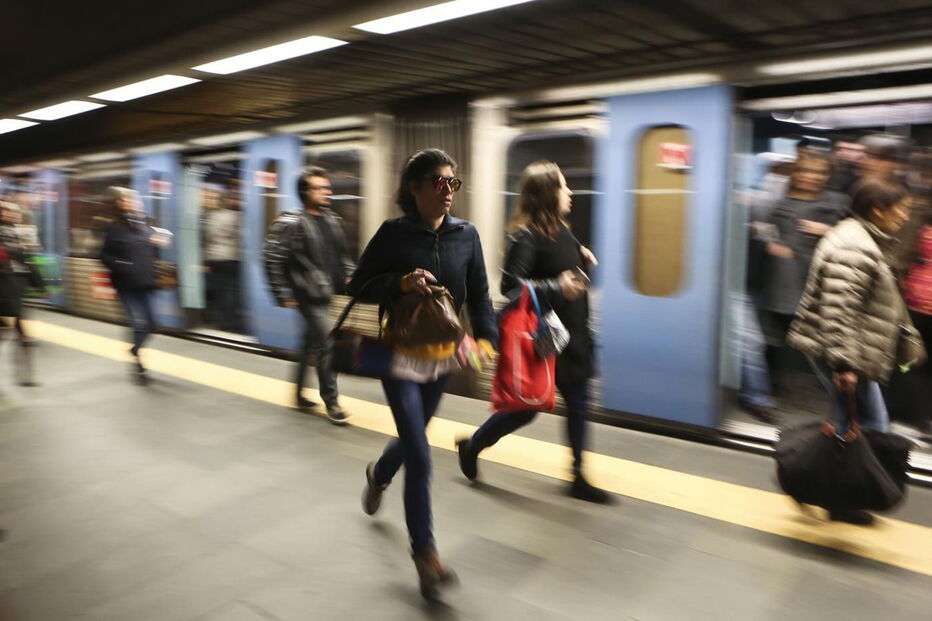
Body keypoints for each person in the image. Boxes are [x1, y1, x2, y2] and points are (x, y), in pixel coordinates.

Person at [352, 149, 496, 599]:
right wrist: (399, 283)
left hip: (443, 358)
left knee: (412, 438)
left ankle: (379, 474)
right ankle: (426, 555)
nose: (447, 191)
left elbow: (480, 294)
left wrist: (486, 341)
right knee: (420, 453)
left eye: (453, 182)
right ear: (413, 188)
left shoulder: (466, 235)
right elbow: (357, 285)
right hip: (399, 357)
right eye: (438, 182)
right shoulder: (393, 234)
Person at [456, 160, 611, 504]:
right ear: (546, 195)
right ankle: (473, 445)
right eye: (563, 187)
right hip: (545, 339)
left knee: (580, 403)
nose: (569, 193)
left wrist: (581, 257)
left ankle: (578, 475)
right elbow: (512, 286)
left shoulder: (563, 231)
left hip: (574, 335)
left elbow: (560, 263)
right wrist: (557, 286)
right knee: (524, 409)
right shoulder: (525, 237)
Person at [787, 177, 925, 525]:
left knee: (853, 423)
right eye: (901, 210)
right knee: (868, 426)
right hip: (846, 353)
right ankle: (823, 490)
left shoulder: (862, 238)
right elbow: (839, 311)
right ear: (878, 210)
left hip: (852, 351)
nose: (905, 218)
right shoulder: (854, 246)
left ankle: (822, 490)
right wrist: (844, 364)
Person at [264, 167, 354, 424]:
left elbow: (342, 257)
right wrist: (281, 292)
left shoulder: (332, 220)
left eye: (327, 187)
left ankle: (298, 396)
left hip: (331, 293)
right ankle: (332, 402)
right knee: (328, 345)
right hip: (308, 294)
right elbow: (272, 257)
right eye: (319, 188)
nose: (327, 192)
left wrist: (350, 275)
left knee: (308, 344)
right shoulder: (291, 223)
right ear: (305, 192)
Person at [761, 153, 846, 344]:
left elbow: (857, 237)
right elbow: (760, 231)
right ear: (794, 173)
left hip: (826, 288)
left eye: (820, 172)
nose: (812, 177)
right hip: (784, 286)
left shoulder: (838, 203)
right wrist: (767, 244)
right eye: (805, 171)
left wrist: (829, 230)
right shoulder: (777, 204)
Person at [99, 187, 159, 384]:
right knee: (137, 323)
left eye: (133, 199)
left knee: (152, 324)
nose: (131, 202)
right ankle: (138, 363)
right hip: (125, 284)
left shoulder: (146, 224)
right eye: (126, 199)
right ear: (119, 204)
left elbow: (152, 251)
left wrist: (157, 244)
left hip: (145, 282)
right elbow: (103, 256)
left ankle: (134, 349)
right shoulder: (114, 227)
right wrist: (124, 266)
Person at [202, 188, 243, 332]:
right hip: (231, 258)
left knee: (220, 291)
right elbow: (240, 236)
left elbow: (206, 238)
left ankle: (222, 321)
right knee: (231, 291)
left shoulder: (210, 217)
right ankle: (231, 323)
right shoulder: (235, 216)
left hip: (214, 258)